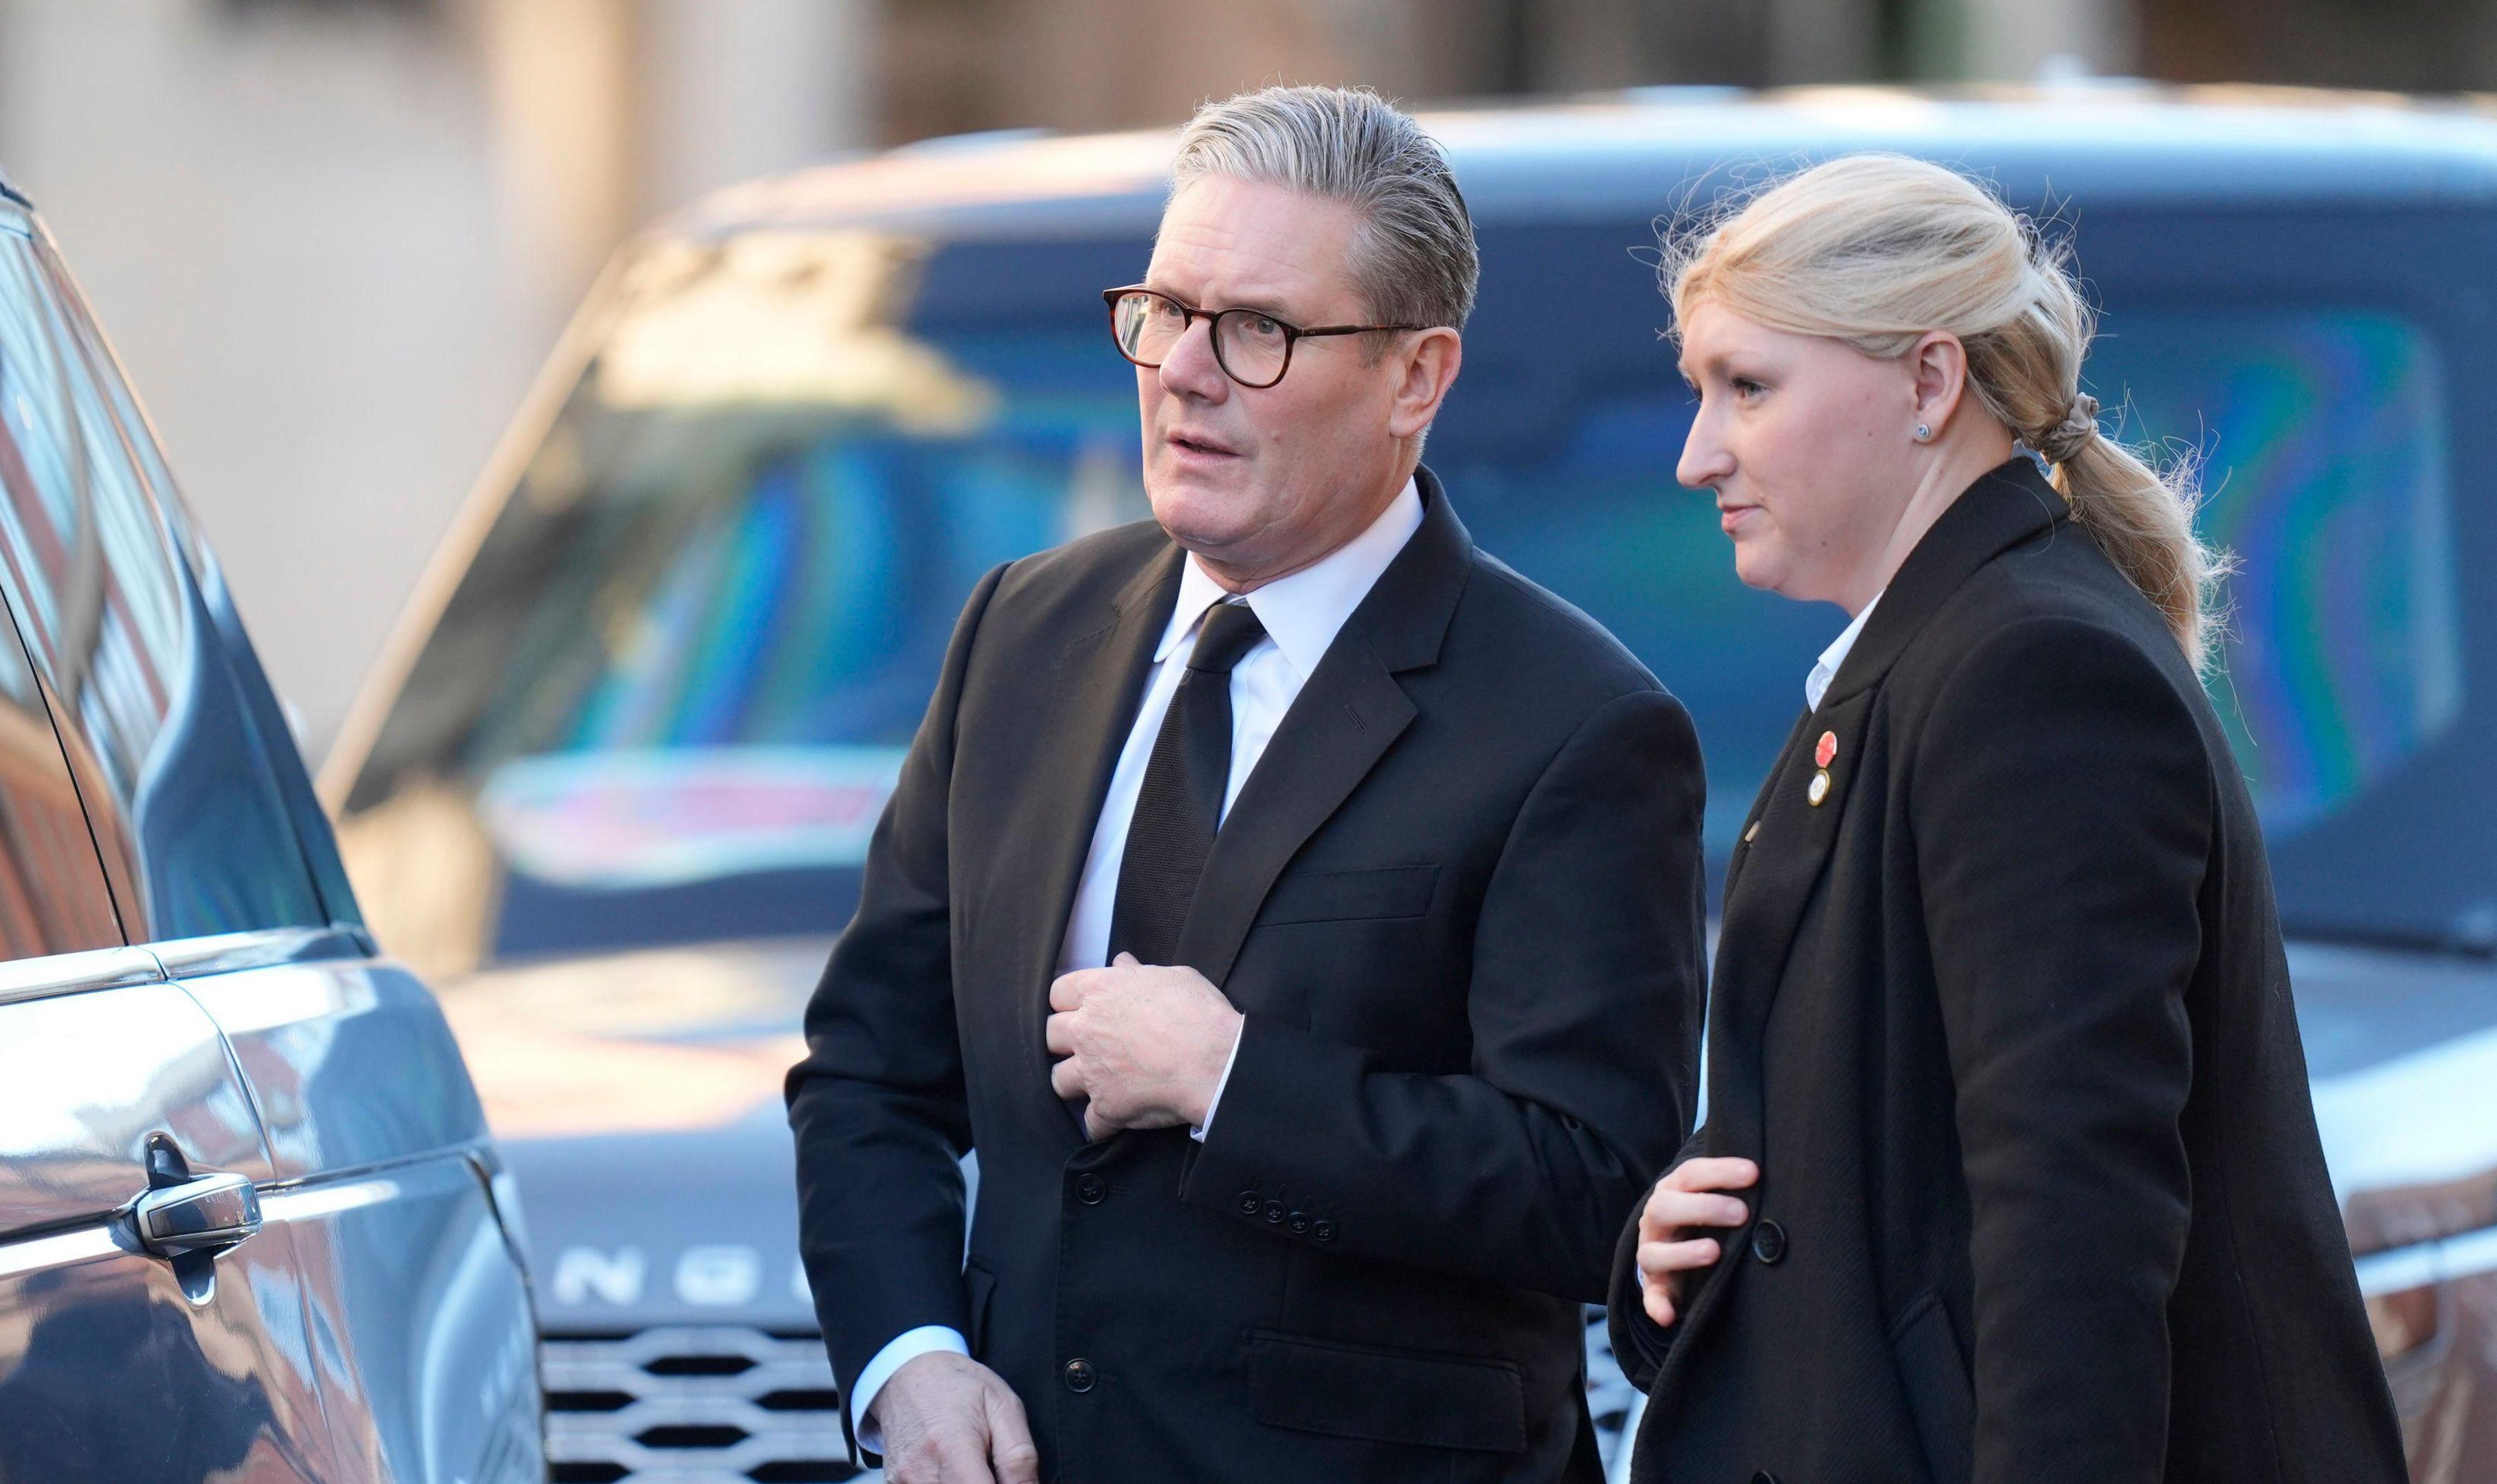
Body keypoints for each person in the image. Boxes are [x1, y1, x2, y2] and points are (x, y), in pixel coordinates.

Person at [786, 85, 1707, 1484]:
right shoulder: (1020, 633)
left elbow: (1593, 1191)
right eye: (1165, 311)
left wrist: (1233, 1080)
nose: (1184, 371)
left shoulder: (1578, 725)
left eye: (1259, 332)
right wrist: (909, 1362)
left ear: (1418, 376)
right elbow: (868, 1075)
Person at [1613, 153, 2408, 1483]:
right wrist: (1692, 1246)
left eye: (1746, 386)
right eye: (1702, 391)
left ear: (1930, 384)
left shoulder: (2031, 675)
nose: (1699, 455)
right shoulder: (1930, 660)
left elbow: (2073, 1240)